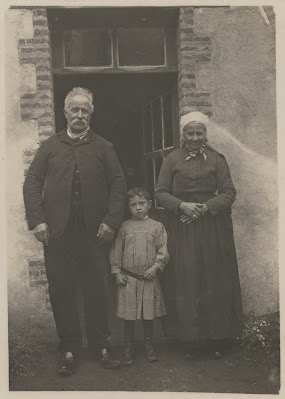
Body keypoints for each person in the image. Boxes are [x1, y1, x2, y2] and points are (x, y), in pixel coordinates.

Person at [23, 87, 127, 375]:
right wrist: (38, 220)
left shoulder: (104, 147)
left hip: (95, 233)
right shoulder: (50, 147)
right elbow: (32, 182)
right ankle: (68, 348)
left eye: (85, 110)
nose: (79, 115)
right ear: (65, 112)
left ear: (91, 113)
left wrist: (111, 221)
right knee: (61, 290)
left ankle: (100, 346)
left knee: (97, 289)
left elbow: (118, 184)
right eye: (74, 110)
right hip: (57, 233)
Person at [155, 111, 242, 359]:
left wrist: (205, 209)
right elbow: (160, 193)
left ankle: (217, 339)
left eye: (199, 132)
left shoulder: (217, 159)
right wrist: (182, 206)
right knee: (187, 277)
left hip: (213, 227)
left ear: (206, 135)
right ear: (183, 135)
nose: (195, 137)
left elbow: (229, 192)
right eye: (190, 133)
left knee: (213, 278)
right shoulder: (171, 159)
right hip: (183, 228)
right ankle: (189, 341)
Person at [110, 187, 169, 366]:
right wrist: (116, 272)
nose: (138, 208)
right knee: (130, 316)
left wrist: (156, 267)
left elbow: (163, 250)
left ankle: (149, 345)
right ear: (128, 207)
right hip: (129, 280)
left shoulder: (157, 227)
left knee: (148, 314)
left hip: (148, 278)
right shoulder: (124, 227)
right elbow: (116, 251)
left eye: (142, 203)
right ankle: (128, 347)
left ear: (149, 205)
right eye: (133, 205)